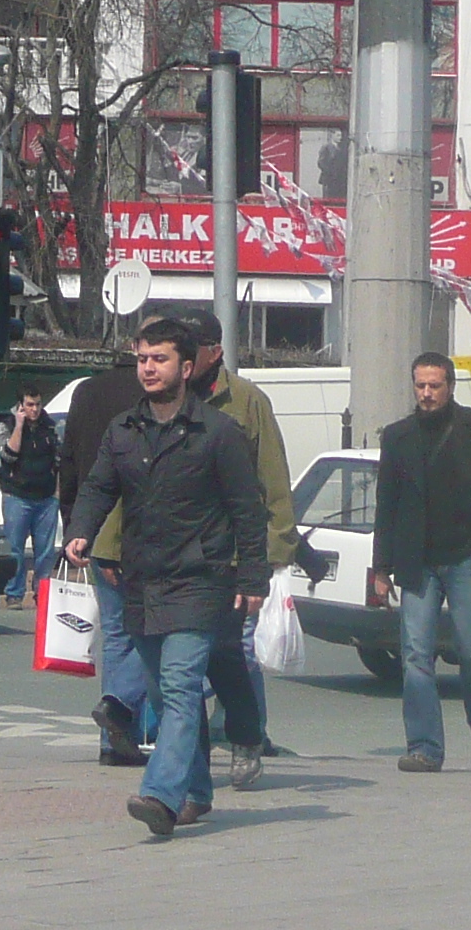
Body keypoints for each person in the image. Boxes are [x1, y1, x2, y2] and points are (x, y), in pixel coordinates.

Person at [64, 317, 268, 841]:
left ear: (187, 365)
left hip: (201, 580)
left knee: (179, 687)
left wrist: (252, 578)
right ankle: (198, 791)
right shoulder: (123, 430)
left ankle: (160, 795)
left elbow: (248, 509)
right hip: (142, 579)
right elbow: (96, 488)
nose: (148, 368)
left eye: (159, 359)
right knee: (162, 693)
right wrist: (81, 531)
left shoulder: (218, 432)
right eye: (142, 358)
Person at [369, 351, 471, 775]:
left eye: (435, 385)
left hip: (468, 558)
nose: (427, 393)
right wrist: (381, 569)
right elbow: (387, 505)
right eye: (420, 385)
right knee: (415, 654)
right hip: (417, 562)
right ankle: (424, 747)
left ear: (450, 386)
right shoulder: (398, 436)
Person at [180, 307, 295, 789]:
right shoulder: (162, 399)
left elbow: (273, 479)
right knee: (178, 664)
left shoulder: (247, 401)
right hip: (173, 556)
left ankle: (246, 735)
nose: (180, 362)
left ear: (214, 352)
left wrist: (274, 554)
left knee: (227, 654)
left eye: (191, 351)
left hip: (229, 554)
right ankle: (186, 770)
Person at [58, 352, 152, 766]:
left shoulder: (86, 391)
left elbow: (70, 463)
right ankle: (132, 724)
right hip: (137, 531)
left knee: (116, 635)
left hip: (94, 530)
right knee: (156, 633)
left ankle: (111, 743)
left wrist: (72, 527)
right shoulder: (154, 395)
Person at [0, 387, 63, 603]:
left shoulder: (50, 426)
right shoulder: (6, 425)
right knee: (15, 548)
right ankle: (14, 593)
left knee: (45, 551)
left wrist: (57, 494)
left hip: (46, 497)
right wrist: (20, 425)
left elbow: (58, 460)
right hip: (17, 495)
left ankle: (41, 593)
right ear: (21, 405)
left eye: (38, 404)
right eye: (30, 405)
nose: (34, 409)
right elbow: (9, 455)